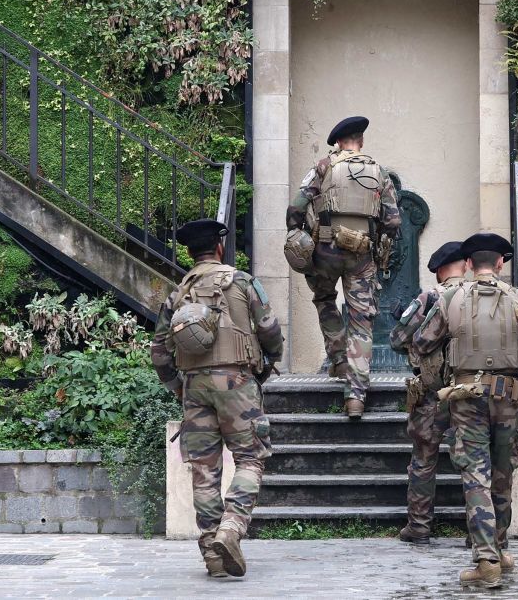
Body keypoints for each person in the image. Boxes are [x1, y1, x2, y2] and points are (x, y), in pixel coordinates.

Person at [150, 219, 283, 579]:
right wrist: (271, 358)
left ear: (190, 253)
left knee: (205, 471)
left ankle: (212, 555)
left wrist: (178, 387)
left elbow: (159, 352)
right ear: (220, 248)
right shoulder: (241, 281)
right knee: (251, 459)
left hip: (194, 386)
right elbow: (270, 330)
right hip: (238, 382)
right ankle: (231, 528)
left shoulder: (177, 294)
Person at [411, 232, 518, 589]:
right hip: (510, 398)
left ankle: (486, 559)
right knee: (503, 473)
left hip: (466, 399)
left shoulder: (451, 299)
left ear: (468, 265)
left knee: (475, 475)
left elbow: (423, 342)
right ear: (500, 264)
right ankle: (499, 549)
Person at [287, 116, 401, 419]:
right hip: (362, 255)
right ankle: (355, 396)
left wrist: (296, 231)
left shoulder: (323, 167)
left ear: (338, 142)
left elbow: (297, 206)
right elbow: (393, 222)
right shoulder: (380, 172)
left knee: (324, 299)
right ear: (361, 141)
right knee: (362, 322)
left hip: (325, 250)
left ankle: (337, 359)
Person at [388, 240, 468, 545]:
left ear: (439, 271)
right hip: (472, 392)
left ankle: (419, 525)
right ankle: (481, 529)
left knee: (424, 458)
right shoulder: (479, 296)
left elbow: (397, 339)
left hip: (433, 394)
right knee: (475, 458)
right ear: (466, 264)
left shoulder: (430, 298)